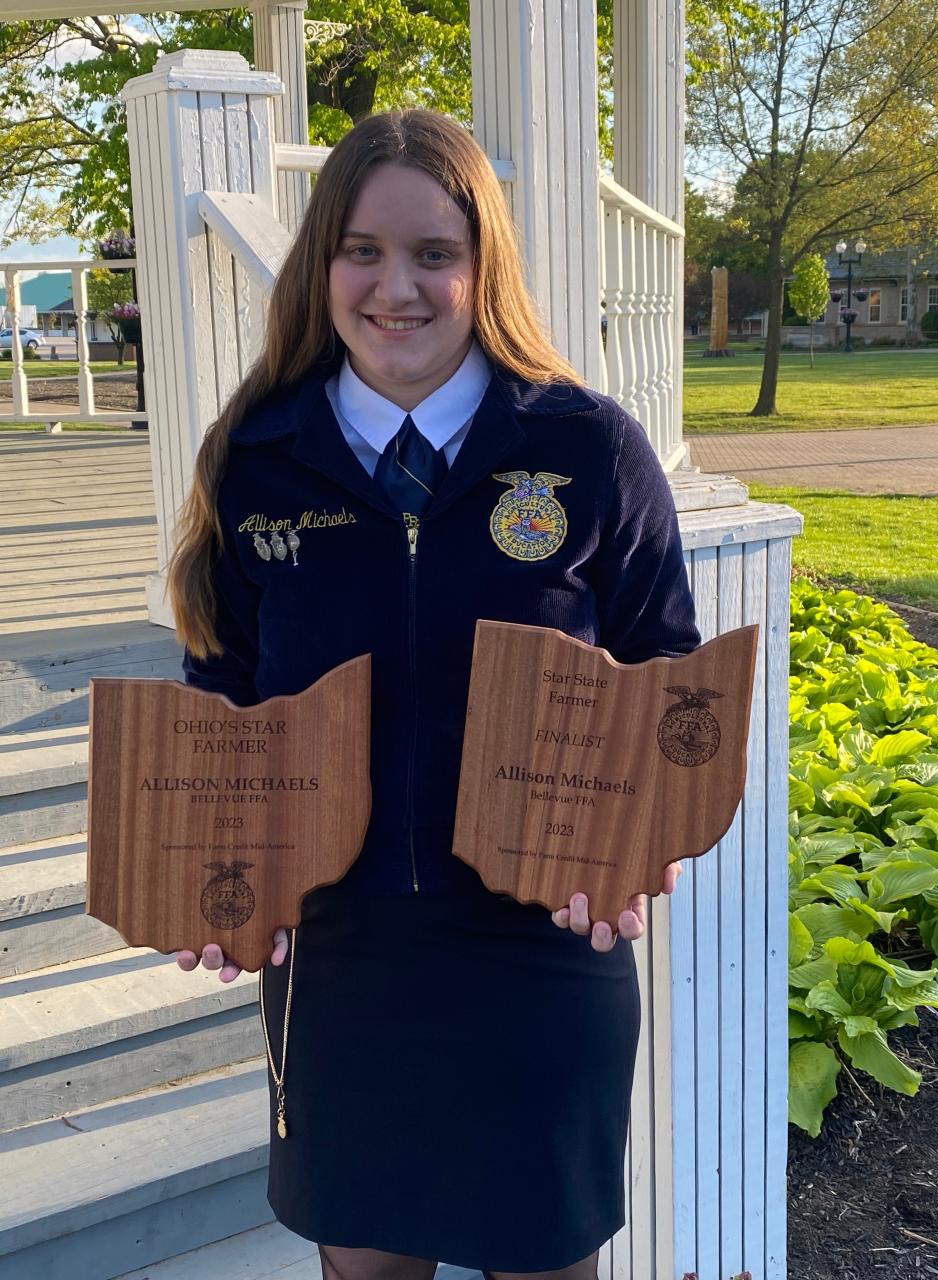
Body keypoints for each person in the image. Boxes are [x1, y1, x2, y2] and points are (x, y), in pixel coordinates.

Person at [170, 108, 700, 1280]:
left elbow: (670, 681)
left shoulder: (586, 449)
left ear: (482, 266)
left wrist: (636, 849)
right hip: (340, 959)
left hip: (542, 949)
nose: (393, 286)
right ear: (323, 267)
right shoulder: (256, 458)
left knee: (546, 1263)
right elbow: (220, 694)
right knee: (365, 1269)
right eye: (360, 249)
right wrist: (212, 868)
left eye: (432, 253)